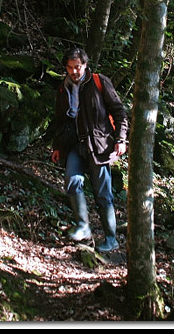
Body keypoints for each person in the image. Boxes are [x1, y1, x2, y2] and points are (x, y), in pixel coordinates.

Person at [51, 47, 128, 253]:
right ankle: (83, 226)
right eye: (70, 67)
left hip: (99, 146)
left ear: (85, 65)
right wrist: (57, 147)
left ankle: (111, 238)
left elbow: (119, 111)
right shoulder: (63, 88)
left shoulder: (98, 81)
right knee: (72, 180)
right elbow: (59, 120)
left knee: (103, 193)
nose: (74, 71)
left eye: (77, 67)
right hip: (75, 145)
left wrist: (121, 139)